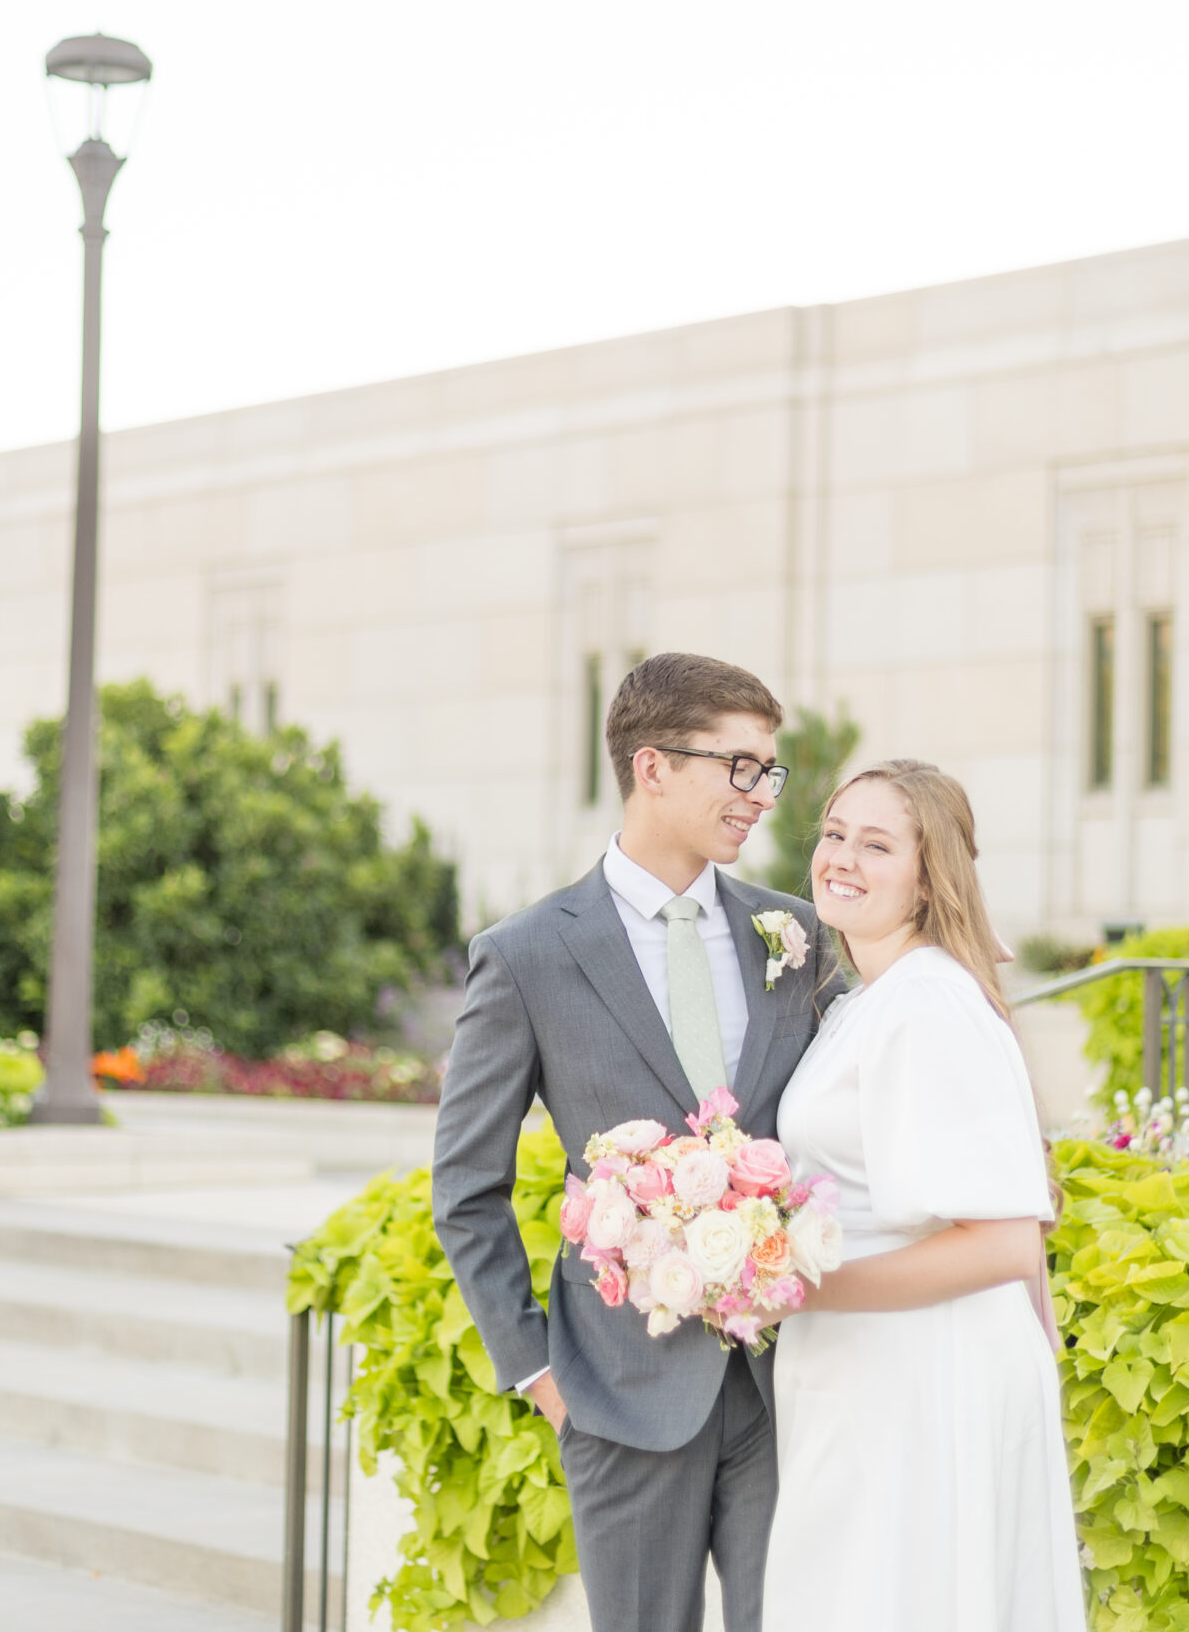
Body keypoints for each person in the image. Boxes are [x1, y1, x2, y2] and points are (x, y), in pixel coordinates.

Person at [432, 652, 839, 1632]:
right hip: (616, 1389)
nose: (760, 795)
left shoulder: (794, 936)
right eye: (739, 767)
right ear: (651, 766)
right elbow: (465, 1186)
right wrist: (537, 1373)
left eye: (769, 771)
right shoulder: (527, 954)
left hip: (789, 1383)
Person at [760, 758, 1087, 1632]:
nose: (842, 858)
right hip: (869, 1374)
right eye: (833, 834)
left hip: (921, 1377)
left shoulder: (928, 1002)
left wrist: (794, 1287)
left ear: (928, 876)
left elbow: (1006, 1242)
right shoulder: (865, 1002)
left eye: (876, 844)